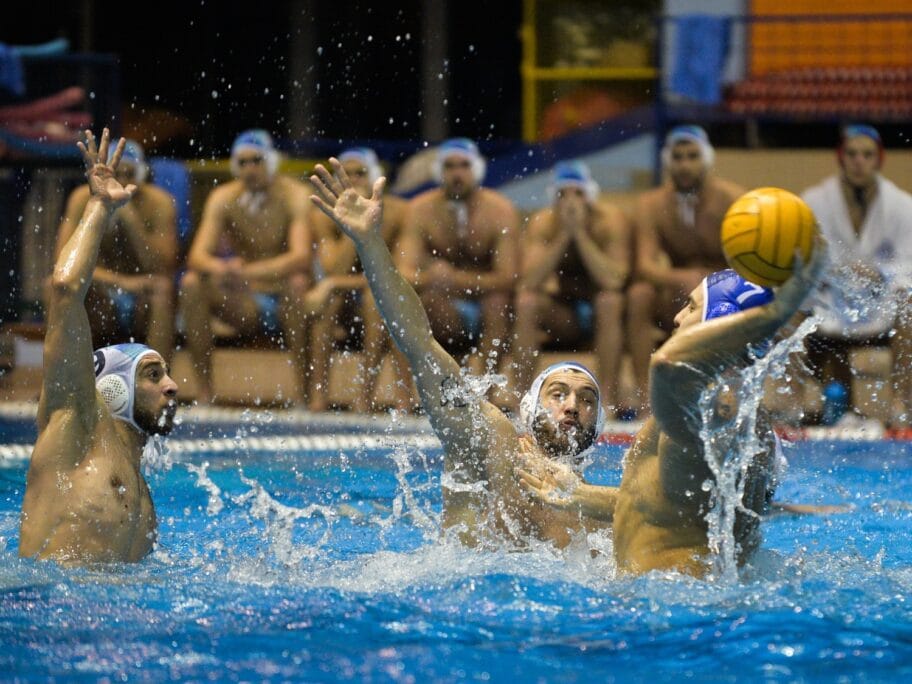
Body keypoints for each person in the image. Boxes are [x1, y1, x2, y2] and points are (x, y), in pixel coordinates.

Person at [309, 158, 610, 548]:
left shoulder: (601, 514)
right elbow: (418, 343)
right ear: (528, 407)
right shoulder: (489, 442)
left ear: (599, 424)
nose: (571, 406)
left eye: (586, 400)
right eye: (558, 394)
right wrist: (370, 247)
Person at [520, 257, 827, 577]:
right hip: (705, 592)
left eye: (692, 308)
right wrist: (577, 494)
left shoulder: (703, 405)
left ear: (719, 322)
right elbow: (677, 507)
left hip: (664, 599)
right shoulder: (752, 421)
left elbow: (665, 366)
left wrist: (577, 494)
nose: (678, 318)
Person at [19, 129, 179, 564]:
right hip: (46, 614)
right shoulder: (72, 426)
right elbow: (66, 287)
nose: (172, 386)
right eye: (152, 374)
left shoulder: (143, 494)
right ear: (112, 388)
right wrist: (99, 205)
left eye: (165, 373)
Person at [178, 129, 313, 404]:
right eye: (243, 162)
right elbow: (197, 257)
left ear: (272, 162)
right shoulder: (224, 197)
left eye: (257, 161)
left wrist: (247, 272)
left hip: (286, 297)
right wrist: (222, 267)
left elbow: (301, 258)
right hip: (246, 300)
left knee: (297, 283)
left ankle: (304, 396)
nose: (250, 169)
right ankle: (205, 393)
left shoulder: (296, 196)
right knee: (191, 283)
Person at [627, 125, 745, 415]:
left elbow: (748, 266)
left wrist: (711, 285)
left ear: (706, 160)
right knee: (639, 295)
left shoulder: (733, 201)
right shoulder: (650, 205)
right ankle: (646, 399)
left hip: (727, 295)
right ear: (668, 161)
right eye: (678, 157)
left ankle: (731, 399)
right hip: (680, 295)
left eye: (692, 156)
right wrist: (687, 279)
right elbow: (644, 266)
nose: (684, 165)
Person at [801, 124, 912, 427]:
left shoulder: (902, 206)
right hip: (829, 303)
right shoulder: (813, 201)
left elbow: (909, 264)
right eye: (852, 154)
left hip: (880, 306)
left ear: (879, 160)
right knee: (788, 303)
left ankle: (903, 405)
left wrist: (879, 273)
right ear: (841, 158)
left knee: (910, 305)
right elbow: (801, 261)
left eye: (867, 154)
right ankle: (795, 402)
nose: (859, 161)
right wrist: (834, 274)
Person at [513, 160, 632, 414]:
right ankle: (522, 398)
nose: (570, 201)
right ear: (553, 199)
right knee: (526, 301)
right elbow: (529, 281)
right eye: (562, 194)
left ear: (590, 196)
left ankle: (607, 400)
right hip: (563, 316)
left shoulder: (610, 221)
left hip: (602, 315)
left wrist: (579, 234)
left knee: (610, 300)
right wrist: (564, 235)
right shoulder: (543, 223)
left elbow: (614, 281)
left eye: (578, 193)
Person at [398, 138, 520, 377]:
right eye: (449, 166)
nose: (457, 174)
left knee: (498, 302)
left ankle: (486, 396)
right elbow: (403, 272)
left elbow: (508, 278)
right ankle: (410, 399)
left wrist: (454, 279)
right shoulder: (420, 210)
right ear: (438, 172)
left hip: (486, 304)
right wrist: (430, 278)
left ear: (477, 170)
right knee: (403, 303)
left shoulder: (500, 211)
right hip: (442, 303)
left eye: (464, 165)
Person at [306, 147, 412, 412]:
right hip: (346, 298)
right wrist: (356, 228)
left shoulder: (401, 212)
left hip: (385, 295)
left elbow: (400, 276)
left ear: (375, 177)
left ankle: (369, 397)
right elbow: (334, 271)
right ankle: (317, 397)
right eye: (347, 174)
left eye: (360, 173)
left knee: (378, 301)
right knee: (326, 303)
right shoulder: (323, 214)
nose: (353, 179)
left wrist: (333, 283)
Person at [53, 138, 178, 359]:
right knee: (55, 288)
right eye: (114, 175)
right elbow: (63, 267)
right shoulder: (82, 199)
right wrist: (120, 282)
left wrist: (130, 217)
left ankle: (160, 380)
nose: (119, 182)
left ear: (141, 175)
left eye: (129, 174)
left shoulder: (159, 203)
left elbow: (162, 267)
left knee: (163, 291)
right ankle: (65, 378)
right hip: (100, 293)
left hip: (142, 297)